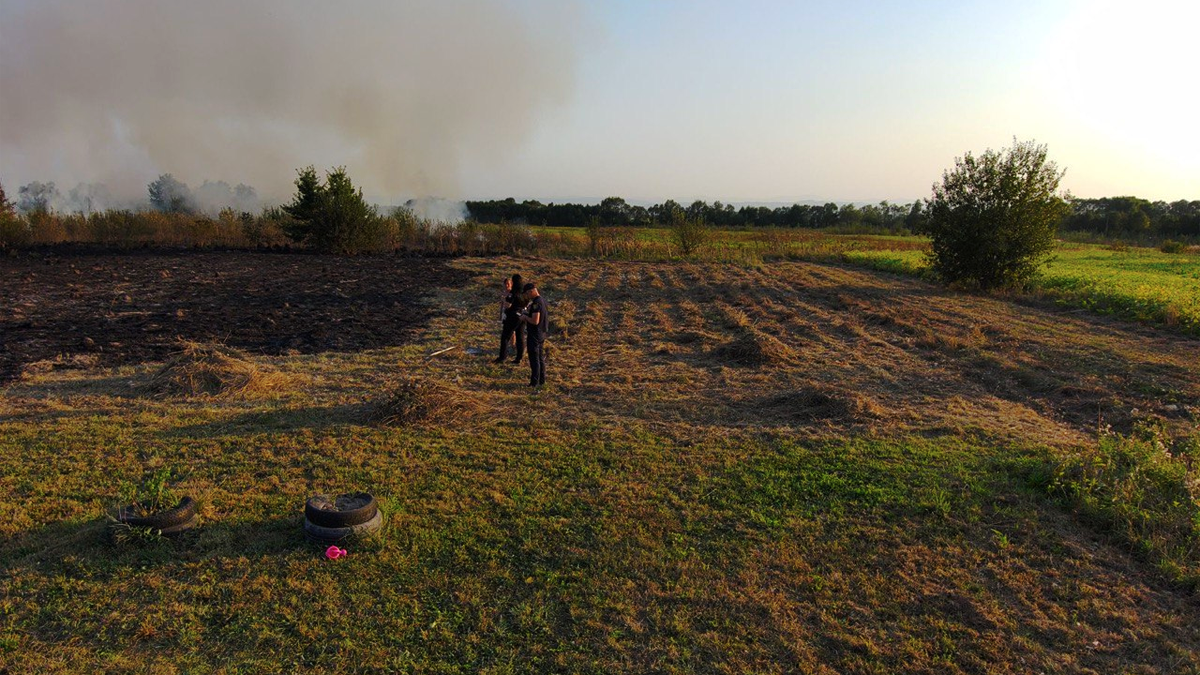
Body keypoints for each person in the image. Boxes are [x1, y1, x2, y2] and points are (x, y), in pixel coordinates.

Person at [517, 281, 548, 387]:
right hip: (541, 333)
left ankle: (534, 382)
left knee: (534, 358)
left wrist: (525, 317)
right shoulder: (542, 300)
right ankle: (542, 380)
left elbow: (535, 321)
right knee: (539, 358)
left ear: (531, 291)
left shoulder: (536, 303)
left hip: (535, 334)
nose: (527, 296)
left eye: (527, 294)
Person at [494, 273, 526, 364]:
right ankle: (519, 358)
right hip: (522, 316)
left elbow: (508, 305)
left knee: (505, 337)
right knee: (520, 337)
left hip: (512, 317)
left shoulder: (513, 293)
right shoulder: (523, 293)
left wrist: (504, 300)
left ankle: (502, 357)